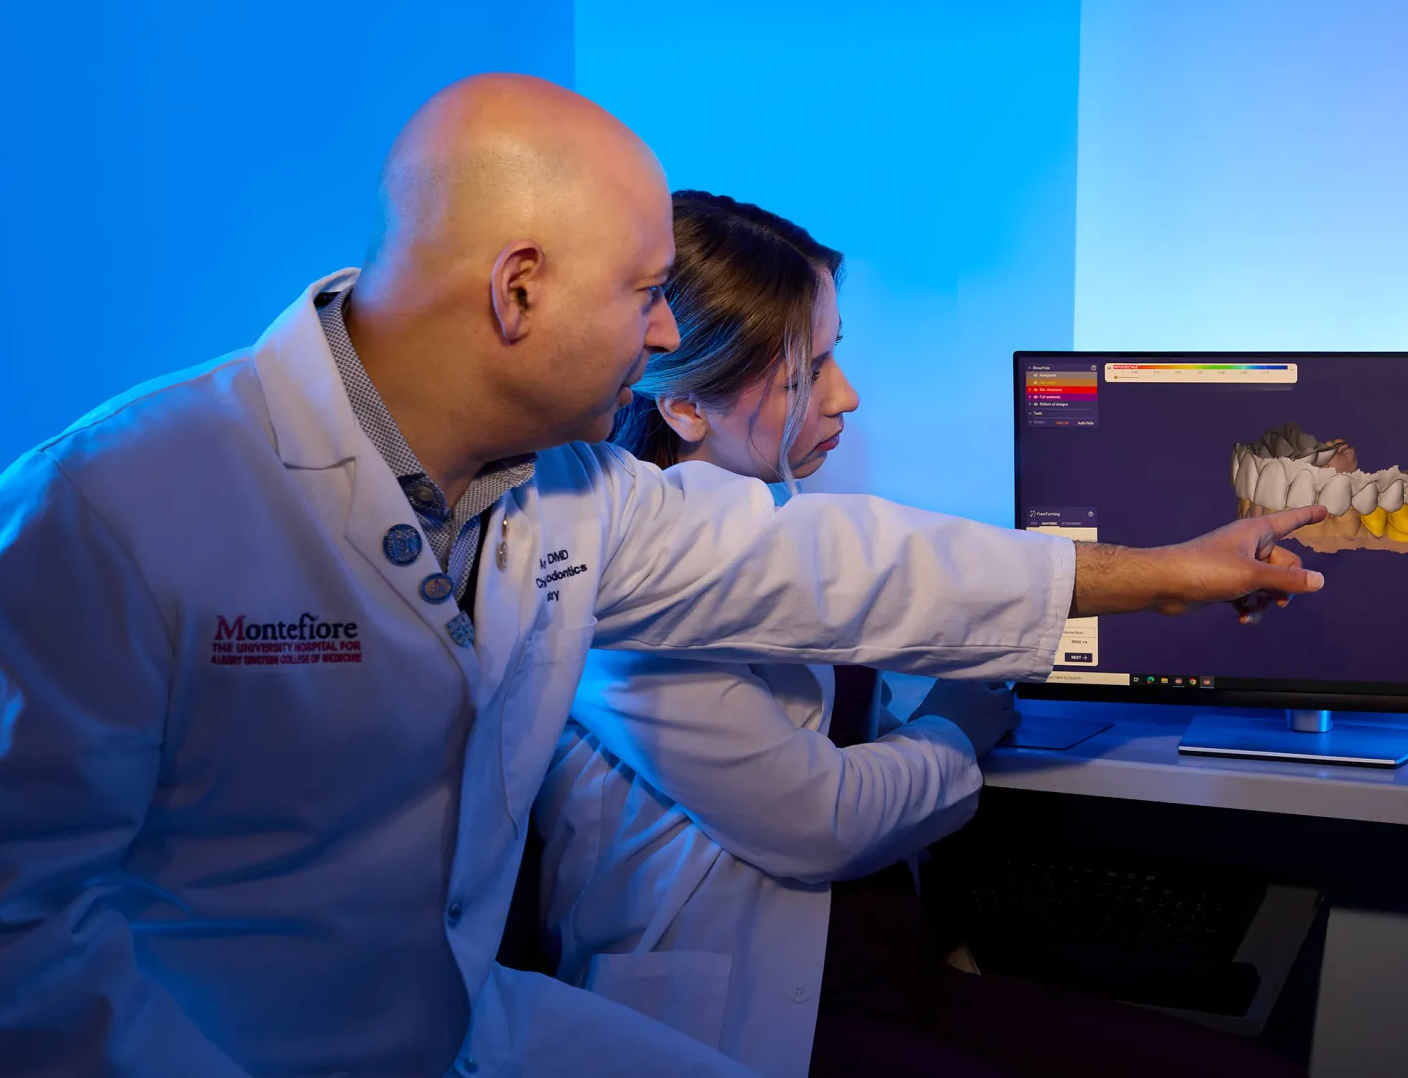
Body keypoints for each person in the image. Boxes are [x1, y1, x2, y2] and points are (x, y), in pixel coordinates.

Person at [0, 74, 1328, 1077]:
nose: (666, 332)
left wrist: (1168, 574)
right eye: (644, 292)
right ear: (519, 292)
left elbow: (842, 566)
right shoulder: (111, 509)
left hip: (465, 1025)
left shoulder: (573, 497)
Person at [532, 192, 1305, 1078]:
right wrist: (962, 723)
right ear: (686, 405)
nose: (846, 395)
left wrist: (1146, 589)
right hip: (746, 1020)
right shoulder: (605, 586)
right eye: (804, 372)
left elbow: (884, 573)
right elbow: (819, 819)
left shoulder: (766, 529)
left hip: (879, 973)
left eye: (835, 356)